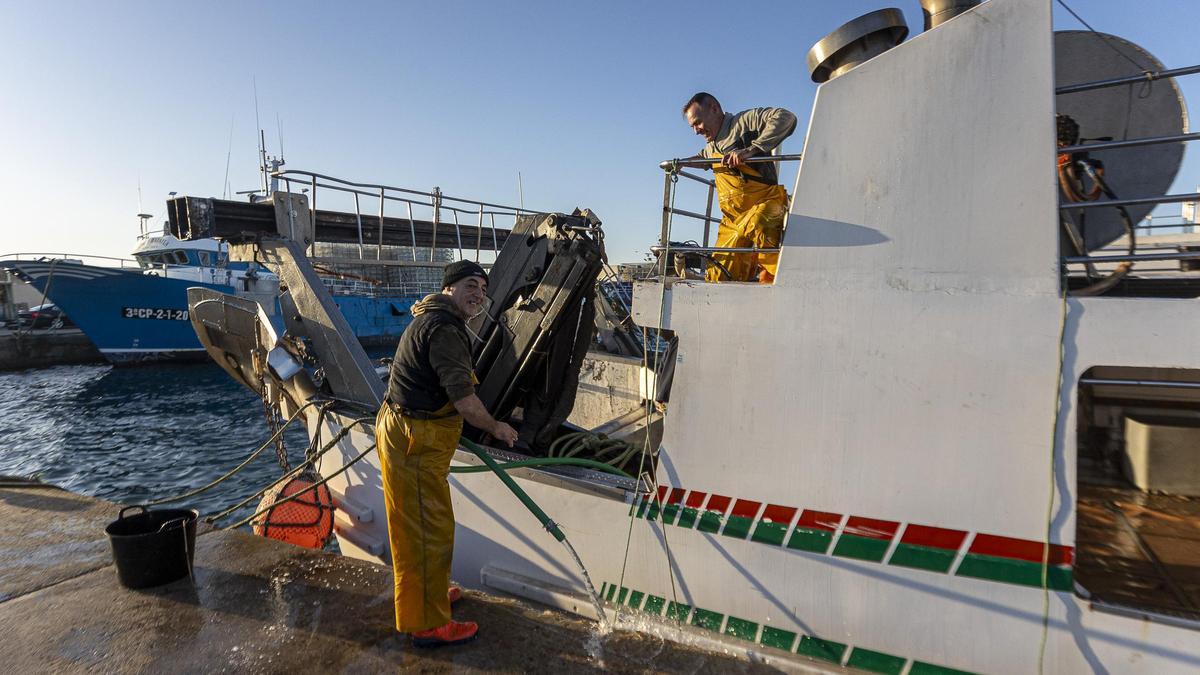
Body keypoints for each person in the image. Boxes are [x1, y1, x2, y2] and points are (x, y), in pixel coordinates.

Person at [375, 259, 519, 648]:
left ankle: (429, 597)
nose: (479, 295)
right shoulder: (445, 330)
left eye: (484, 289)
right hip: (415, 440)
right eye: (471, 285)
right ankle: (426, 623)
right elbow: (465, 401)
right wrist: (497, 427)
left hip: (405, 430)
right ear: (449, 288)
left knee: (418, 528)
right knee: (427, 533)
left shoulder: (431, 318)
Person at [681, 92, 797, 283]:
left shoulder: (745, 122)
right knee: (719, 275)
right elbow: (704, 159)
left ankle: (779, 280)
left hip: (765, 203)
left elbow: (786, 117)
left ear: (714, 109)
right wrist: (682, 163)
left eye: (698, 123)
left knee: (761, 223)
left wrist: (751, 150)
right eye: (693, 126)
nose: (696, 131)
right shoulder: (711, 147)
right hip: (733, 219)